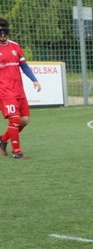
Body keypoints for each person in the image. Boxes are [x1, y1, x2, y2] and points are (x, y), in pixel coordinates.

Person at [0, 17, 42, 160]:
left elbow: (23, 65)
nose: (2, 35)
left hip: (19, 89)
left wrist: (34, 80)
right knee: (15, 118)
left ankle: (3, 139)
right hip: (4, 90)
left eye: (4, 31)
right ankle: (16, 151)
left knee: (24, 120)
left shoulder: (15, 46)